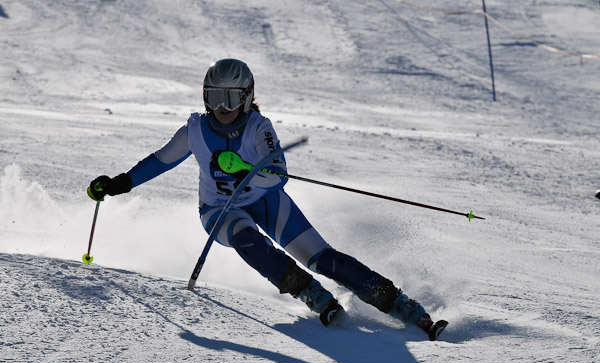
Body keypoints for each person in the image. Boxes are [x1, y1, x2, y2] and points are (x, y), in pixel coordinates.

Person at [87, 58, 448, 340]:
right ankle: (309, 293)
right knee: (247, 238)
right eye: (214, 97)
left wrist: (244, 166)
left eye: (230, 98)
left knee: (324, 258)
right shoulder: (195, 129)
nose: (222, 107)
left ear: (247, 97)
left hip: (266, 201)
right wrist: (120, 183)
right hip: (219, 211)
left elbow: (278, 176)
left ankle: (400, 304)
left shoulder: (260, 127)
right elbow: (161, 160)